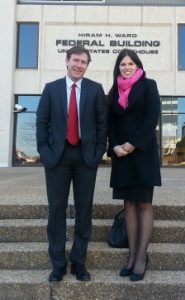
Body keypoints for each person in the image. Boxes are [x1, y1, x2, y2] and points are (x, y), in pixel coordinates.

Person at [36, 46, 108, 282]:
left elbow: (102, 125)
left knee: (84, 210)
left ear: (87, 65)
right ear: (66, 61)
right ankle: (58, 265)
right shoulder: (51, 89)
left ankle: (79, 263)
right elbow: (41, 123)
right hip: (57, 158)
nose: (79, 65)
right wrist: (45, 153)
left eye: (84, 62)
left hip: (85, 158)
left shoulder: (95, 90)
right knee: (56, 210)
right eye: (75, 60)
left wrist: (98, 153)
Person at [107, 49, 161, 282]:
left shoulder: (149, 85)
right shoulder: (113, 91)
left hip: (142, 152)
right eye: (122, 64)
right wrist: (115, 146)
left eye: (130, 63)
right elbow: (109, 122)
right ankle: (131, 256)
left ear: (137, 65)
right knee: (128, 204)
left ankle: (141, 257)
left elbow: (152, 117)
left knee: (144, 204)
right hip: (122, 155)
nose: (126, 67)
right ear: (118, 68)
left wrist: (133, 144)